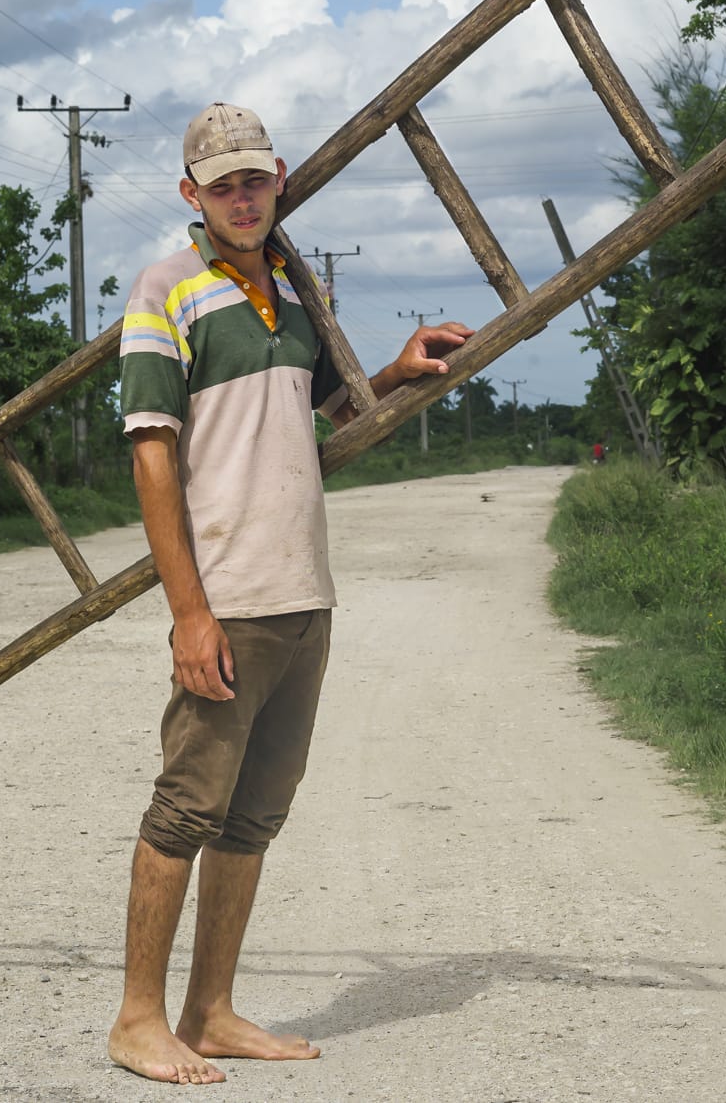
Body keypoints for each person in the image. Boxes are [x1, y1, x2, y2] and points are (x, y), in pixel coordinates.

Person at [107, 102, 471, 1086]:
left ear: (275, 184)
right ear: (191, 193)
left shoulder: (291, 294)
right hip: (224, 599)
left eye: (253, 179)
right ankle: (138, 1018)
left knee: (253, 814)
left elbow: (309, 411)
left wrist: (392, 371)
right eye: (220, 183)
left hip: (303, 594)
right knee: (185, 808)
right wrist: (188, 612)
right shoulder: (165, 289)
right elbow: (151, 455)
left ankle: (210, 1010)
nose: (239, 196)